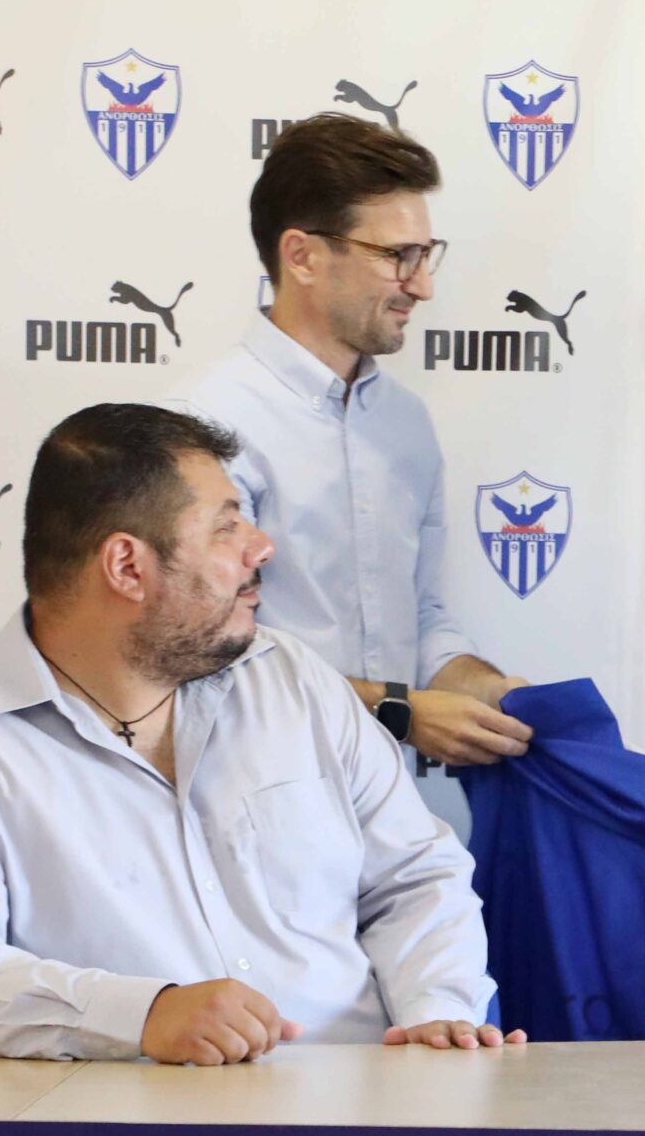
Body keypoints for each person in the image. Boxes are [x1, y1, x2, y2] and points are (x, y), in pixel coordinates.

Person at [0, 403, 522, 1064]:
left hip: (367, 1108)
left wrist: (437, 1011)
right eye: (227, 527)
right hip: (132, 1130)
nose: (261, 547)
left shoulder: (292, 679)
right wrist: (139, 1015)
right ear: (127, 567)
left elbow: (414, 878)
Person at [176, 112, 531, 773]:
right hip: (254, 801)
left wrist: (493, 693)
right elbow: (204, 655)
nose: (422, 285)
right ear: (302, 256)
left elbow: (420, 619)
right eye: (397, 256)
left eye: (425, 255)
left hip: (390, 807)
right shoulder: (200, 427)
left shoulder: (406, 425)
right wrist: (399, 711)